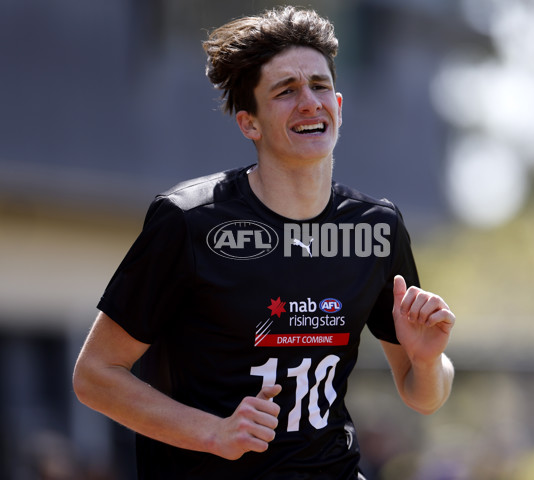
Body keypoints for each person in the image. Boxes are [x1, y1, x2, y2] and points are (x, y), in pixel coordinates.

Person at [73, 6, 455, 479]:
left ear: (339, 106)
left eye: (318, 86)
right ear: (249, 123)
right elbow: (95, 375)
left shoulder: (376, 227)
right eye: (286, 91)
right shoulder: (189, 222)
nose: (309, 102)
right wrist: (213, 433)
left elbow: (423, 395)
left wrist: (427, 358)